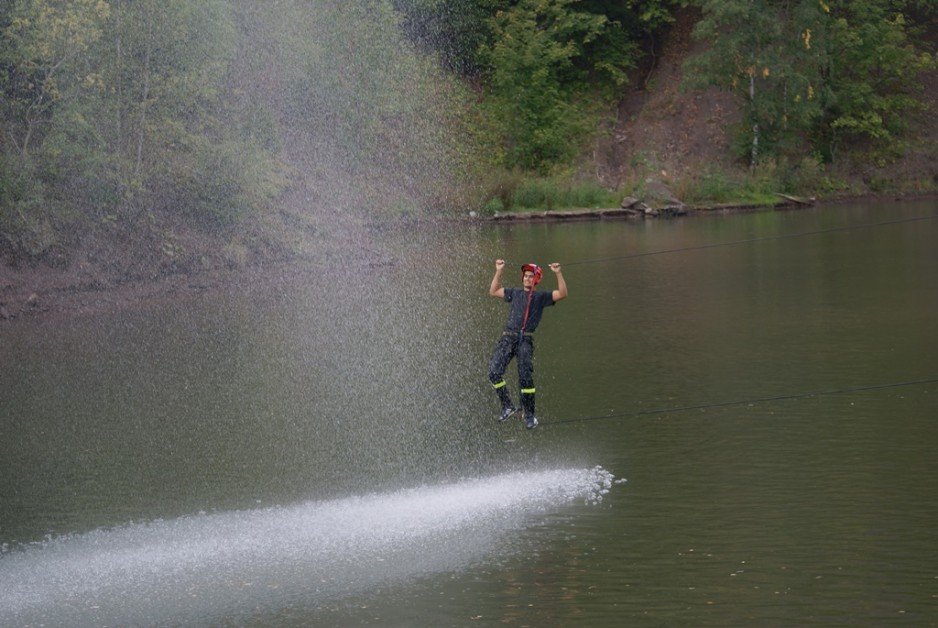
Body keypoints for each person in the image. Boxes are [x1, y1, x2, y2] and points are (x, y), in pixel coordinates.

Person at [487, 259, 567, 429]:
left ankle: (529, 415)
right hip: (508, 338)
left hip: (525, 340)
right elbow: (493, 291)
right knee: (494, 372)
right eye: (526, 276)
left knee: (525, 378)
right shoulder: (514, 293)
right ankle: (507, 406)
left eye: (531, 276)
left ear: (537, 279)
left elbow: (562, 293)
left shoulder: (541, 297)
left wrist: (558, 273)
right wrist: (499, 270)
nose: (527, 279)